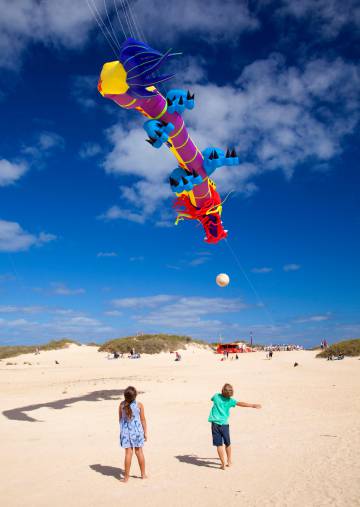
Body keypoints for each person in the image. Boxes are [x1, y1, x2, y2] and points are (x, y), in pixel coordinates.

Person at [208, 383, 261, 470]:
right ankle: (229, 461)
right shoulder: (230, 401)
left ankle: (223, 464)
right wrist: (252, 405)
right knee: (227, 443)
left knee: (219, 445)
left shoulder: (216, 396)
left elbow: (212, 399)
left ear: (222, 390)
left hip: (215, 424)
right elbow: (240, 403)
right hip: (224, 425)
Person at [119, 386, 147, 482]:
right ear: (135, 396)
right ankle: (143, 475)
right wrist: (145, 432)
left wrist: (123, 431)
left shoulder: (121, 405)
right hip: (137, 432)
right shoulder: (139, 405)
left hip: (126, 432)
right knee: (139, 452)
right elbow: (143, 419)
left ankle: (126, 477)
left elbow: (120, 419)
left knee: (128, 453)